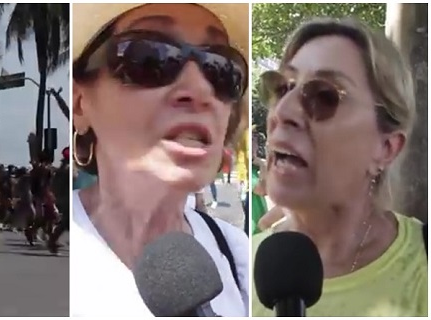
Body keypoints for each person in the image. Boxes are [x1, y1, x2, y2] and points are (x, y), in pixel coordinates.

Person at [70, 3, 250, 316]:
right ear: (79, 103)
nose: (199, 90)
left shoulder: (239, 256)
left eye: (221, 68)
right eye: (149, 58)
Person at [251, 17, 426, 317]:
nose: (282, 112)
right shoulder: (241, 267)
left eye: (324, 96)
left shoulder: (422, 269)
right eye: (282, 88)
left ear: (385, 148)